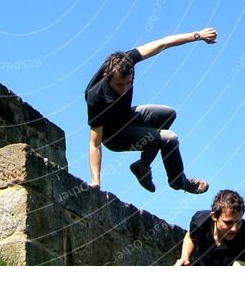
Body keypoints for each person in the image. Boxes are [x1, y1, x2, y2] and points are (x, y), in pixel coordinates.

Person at [85, 28, 217, 194]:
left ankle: (142, 167)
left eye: (129, 82)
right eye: (119, 84)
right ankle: (179, 181)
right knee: (170, 138)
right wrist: (96, 181)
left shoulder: (128, 60)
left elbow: (164, 42)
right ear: (107, 76)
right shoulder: (96, 97)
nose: (125, 89)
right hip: (114, 137)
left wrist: (198, 35)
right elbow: (94, 143)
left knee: (168, 114)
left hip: (128, 117)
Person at [175, 189, 245, 266]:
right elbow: (190, 236)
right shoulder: (199, 220)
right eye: (228, 223)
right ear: (214, 216)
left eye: (238, 222)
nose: (234, 229)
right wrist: (185, 257)